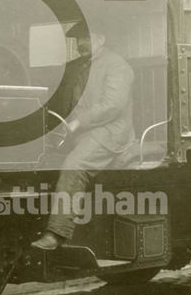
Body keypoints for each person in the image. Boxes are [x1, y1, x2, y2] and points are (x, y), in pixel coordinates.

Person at [31, 19, 135, 250]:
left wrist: (79, 121)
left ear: (101, 40)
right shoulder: (77, 67)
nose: (81, 43)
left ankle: (57, 233)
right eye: (78, 39)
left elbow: (113, 106)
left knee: (74, 165)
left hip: (109, 133)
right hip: (76, 132)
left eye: (86, 38)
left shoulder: (117, 66)